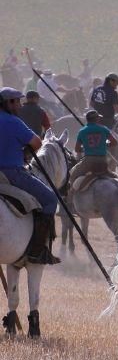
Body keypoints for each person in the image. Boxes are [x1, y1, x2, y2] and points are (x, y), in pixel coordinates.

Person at [0, 87, 60, 264]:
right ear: (7, 103)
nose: (19, 105)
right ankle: (37, 250)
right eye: (16, 101)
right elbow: (37, 142)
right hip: (12, 173)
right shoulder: (14, 122)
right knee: (50, 200)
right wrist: (25, 154)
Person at [70, 110, 117, 185]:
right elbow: (115, 142)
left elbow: (77, 149)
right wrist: (105, 146)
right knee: (115, 177)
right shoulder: (104, 129)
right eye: (98, 118)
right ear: (96, 119)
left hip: (88, 161)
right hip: (103, 161)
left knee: (72, 176)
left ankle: (70, 195)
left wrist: (86, 148)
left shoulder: (82, 131)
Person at [90, 73, 118, 163]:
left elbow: (91, 104)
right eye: (116, 82)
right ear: (111, 81)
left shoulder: (97, 89)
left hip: (94, 119)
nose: (117, 84)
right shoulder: (113, 93)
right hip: (107, 121)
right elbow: (116, 109)